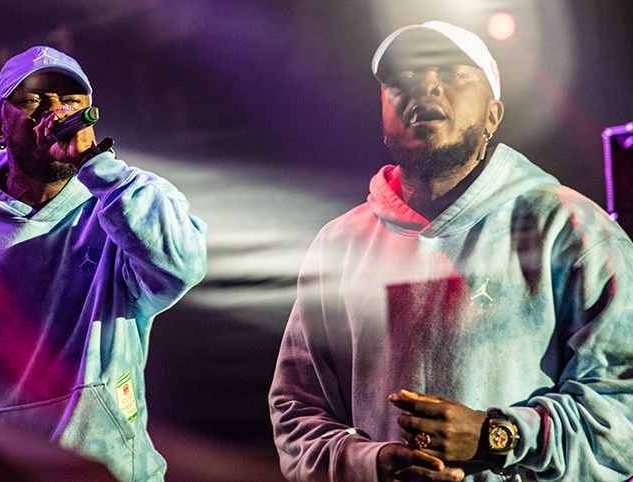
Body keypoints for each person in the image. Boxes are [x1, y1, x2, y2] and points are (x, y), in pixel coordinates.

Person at [269, 21, 633, 482]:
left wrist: (495, 436)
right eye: (403, 80)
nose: (425, 88)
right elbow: (297, 409)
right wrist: (372, 463)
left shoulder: (569, 228)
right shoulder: (340, 246)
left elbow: (624, 408)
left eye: (453, 73)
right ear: (383, 114)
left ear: (493, 114)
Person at [0, 46, 208, 482]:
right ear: (0, 127)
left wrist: (98, 169)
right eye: (34, 99)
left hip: (115, 471)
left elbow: (182, 266)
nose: (55, 111)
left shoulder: (125, 202)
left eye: (71, 100)